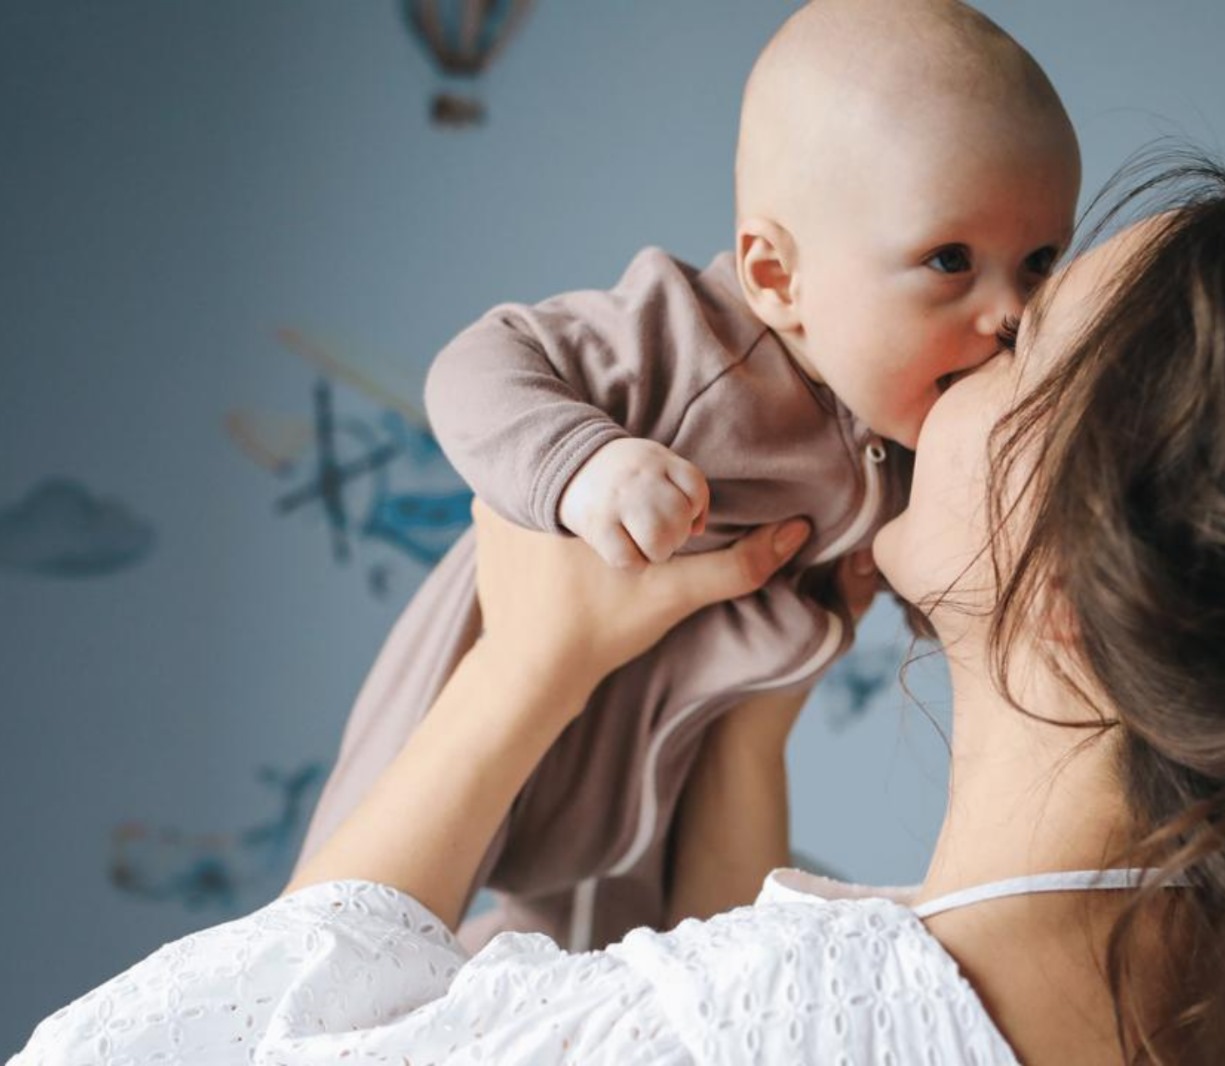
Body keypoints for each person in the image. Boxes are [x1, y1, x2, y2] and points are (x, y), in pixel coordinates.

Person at [17, 154, 1225, 1065]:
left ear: (1067, 581)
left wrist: (525, 670)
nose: (960, 351)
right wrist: (749, 711)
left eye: (1024, 344)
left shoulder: (769, 1031)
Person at [294, 0, 1081, 953]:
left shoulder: (913, 422)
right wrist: (583, 463)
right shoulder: (688, 341)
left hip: (661, 759)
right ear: (776, 276)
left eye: (1039, 264)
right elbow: (479, 361)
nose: (1009, 313)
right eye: (950, 260)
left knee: (610, 967)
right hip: (498, 674)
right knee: (347, 938)